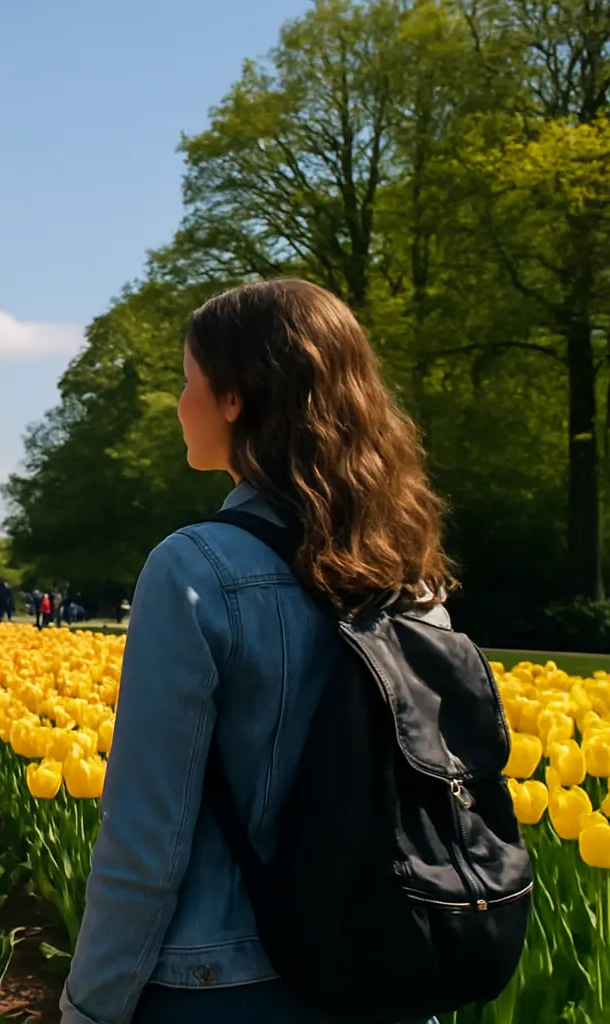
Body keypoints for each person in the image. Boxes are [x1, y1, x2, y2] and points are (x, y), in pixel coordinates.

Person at [60, 279, 450, 1024]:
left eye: (187, 381)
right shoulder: (412, 576)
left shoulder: (192, 570)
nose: (180, 404)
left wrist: (90, 1007)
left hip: (226, 983)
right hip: (389, 970)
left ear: (233, 398)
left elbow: (146, 841)